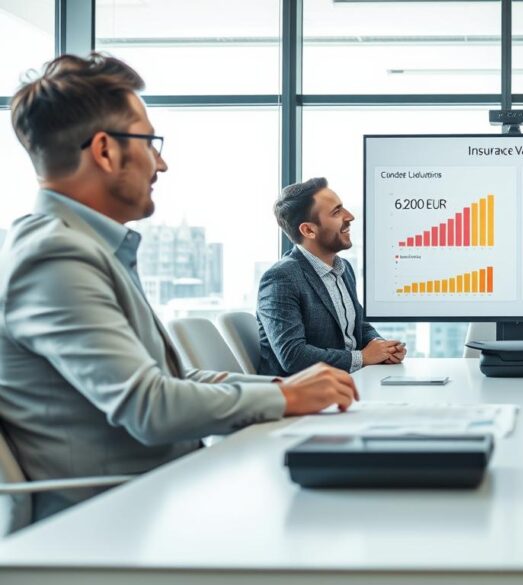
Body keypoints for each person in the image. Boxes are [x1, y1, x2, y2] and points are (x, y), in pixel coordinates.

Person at [0, 53, 359, 523]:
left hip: (157, 492)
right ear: (106, 151)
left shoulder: (86, 247)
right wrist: (287, 397)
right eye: (150, 142)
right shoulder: (56, 258)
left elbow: (170, 383)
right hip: (109, 519)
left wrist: (285, 387)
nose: (161, 163)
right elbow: (149, 406)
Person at [257, 178, 406, 376]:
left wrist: (381, 347)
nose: (350, 216)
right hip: (307, 396)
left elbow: (358, 325)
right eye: (336, 212)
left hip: (349, 382)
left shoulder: (344, 269)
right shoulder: (281, 278)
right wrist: (363, 357)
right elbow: (293, 356)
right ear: (309, 230)